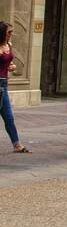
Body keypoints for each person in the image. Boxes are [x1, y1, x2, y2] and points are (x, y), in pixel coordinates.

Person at [0, 21, 31, 153]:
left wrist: (11, 67)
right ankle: (16, 144)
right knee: (7, 115)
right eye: (9, 32)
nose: (11, 34)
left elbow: (9, 62)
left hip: (3, 84)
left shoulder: (9, 46)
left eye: (12, 32)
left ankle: (16, 144)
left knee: (8, 116)